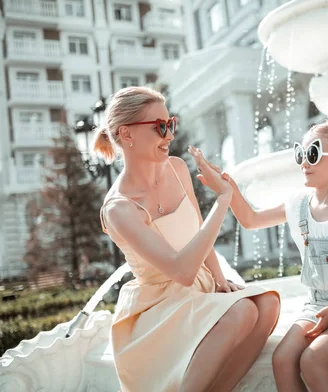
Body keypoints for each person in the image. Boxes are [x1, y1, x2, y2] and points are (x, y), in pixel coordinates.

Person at [93, 86, 280, 392]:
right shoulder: (119, 209)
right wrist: (223, 200)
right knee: (243, 311)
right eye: (159, 127)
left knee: (267, 304)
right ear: (126, 135)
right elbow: (181, 272)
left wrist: (220, 280)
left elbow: (197, 238)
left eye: (172, 124)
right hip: (157, 308)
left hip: (198, 289)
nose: (169, 135)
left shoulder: (178, 169)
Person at [191, 121, 328, 392]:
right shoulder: (297, 204)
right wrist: (226, 186)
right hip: (317, 305)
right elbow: (251, 219)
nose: (304, 162)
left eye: (313, 154)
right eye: (300, 154)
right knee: (281, 359)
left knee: (314, 361)